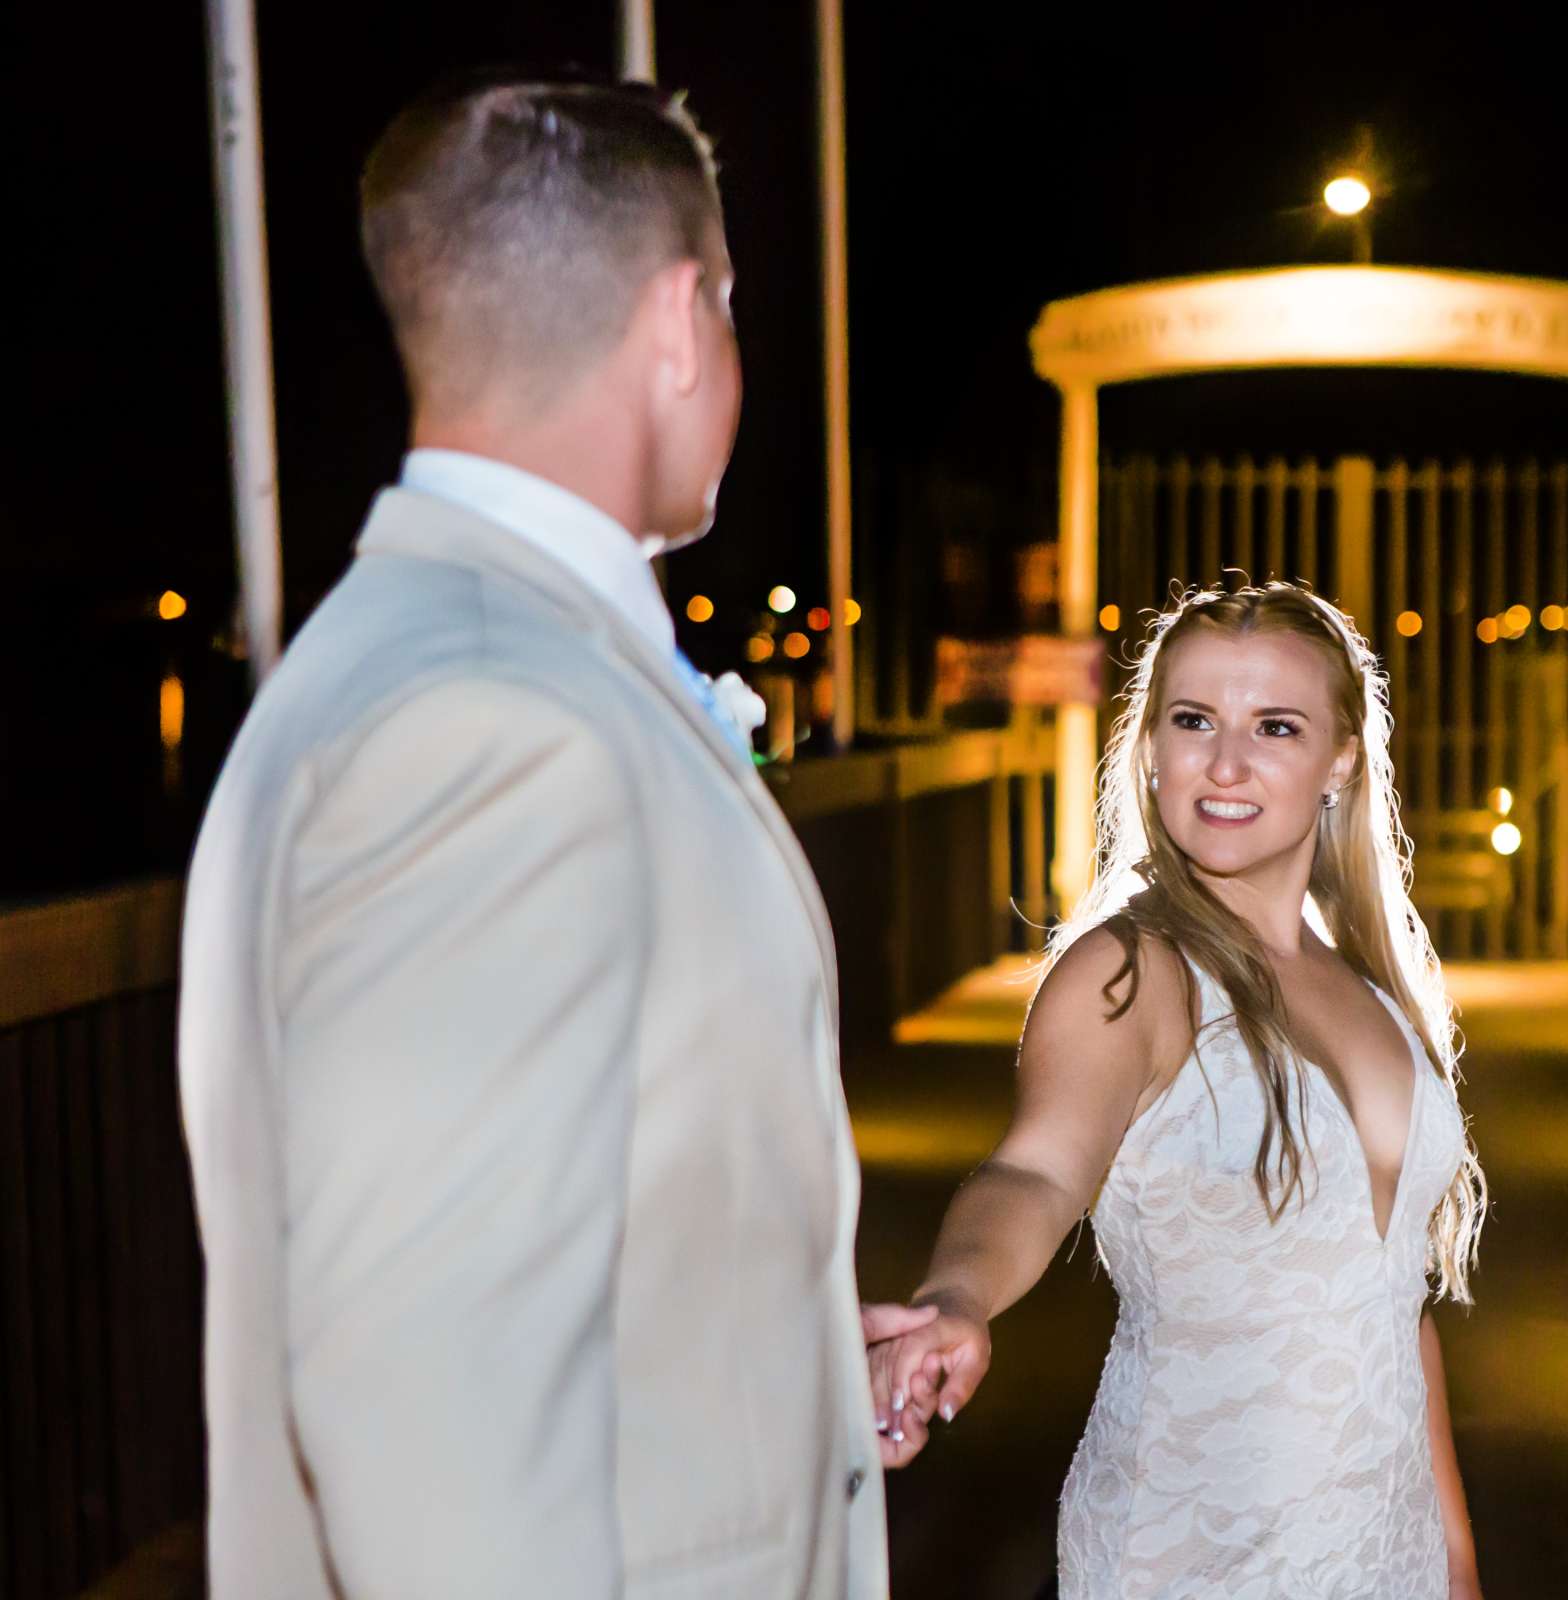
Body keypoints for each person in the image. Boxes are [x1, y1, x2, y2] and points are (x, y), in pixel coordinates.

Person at [177, 75, 930, 1598]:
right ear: (677, 318)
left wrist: (757, 1355)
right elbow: (427, 1407)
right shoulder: (491, 725)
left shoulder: (402, 657)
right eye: (730, 308)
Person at [867, 583, 1489, 1598]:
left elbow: (1393, 1309)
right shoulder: (1128, 974)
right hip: (1194, 1552)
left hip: (1385, 1557)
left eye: (1274, 726)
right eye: (1193, 719)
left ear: (1339, 760)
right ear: (1150, 745)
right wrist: (957, 1296)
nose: (1226, 763)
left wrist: (1455, 1565)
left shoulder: (1376, 989)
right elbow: (1032, 1170)